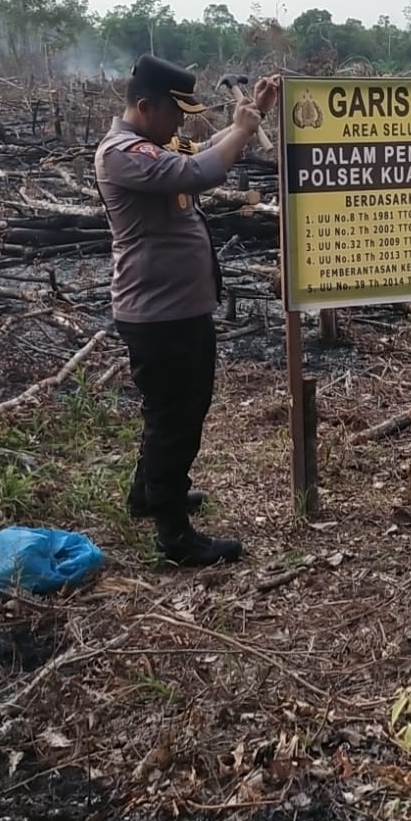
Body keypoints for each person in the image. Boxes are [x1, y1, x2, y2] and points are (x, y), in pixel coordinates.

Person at [94, 53, 280, 567]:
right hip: (158, 313)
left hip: (178, 308)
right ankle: (174, 535)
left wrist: (254, 116)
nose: (182, 124)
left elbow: (200, 149)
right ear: (145, 106)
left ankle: (151, 495)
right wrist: (243, 131)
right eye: (175, 114)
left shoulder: (154, 142)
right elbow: (201, 170)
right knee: (173, 419)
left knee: (177, 411)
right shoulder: (123, 153)